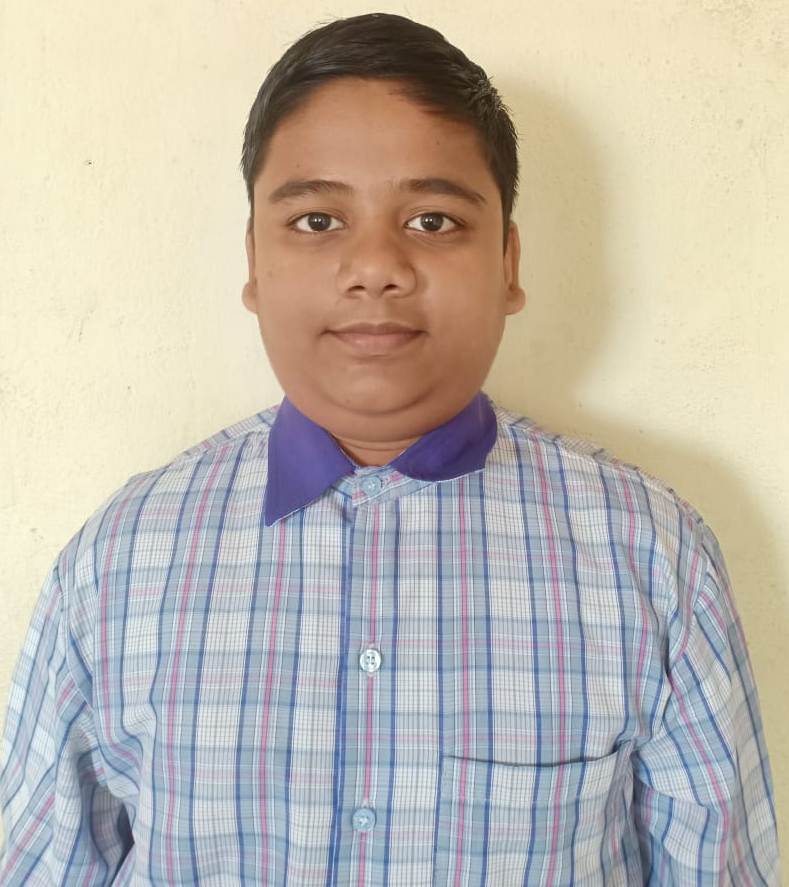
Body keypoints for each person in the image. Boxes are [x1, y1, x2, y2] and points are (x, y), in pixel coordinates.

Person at [0, 11, 780, 886]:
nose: (375, 266)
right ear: (252, 261)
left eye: (433, 221)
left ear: (507, 262)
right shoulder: (119, 561)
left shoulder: (652, 558)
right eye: (317, 220)